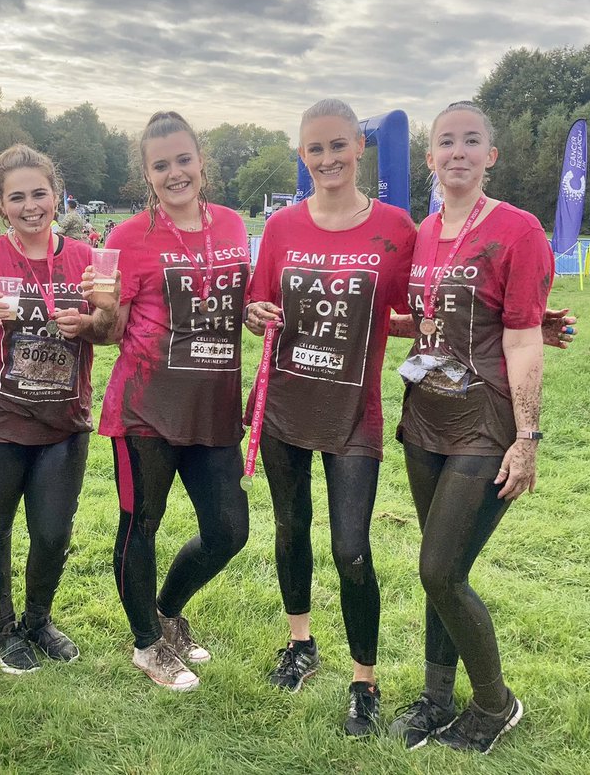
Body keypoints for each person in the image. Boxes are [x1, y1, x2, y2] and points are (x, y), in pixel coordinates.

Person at [244, 99, 417, 735]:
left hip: (352, 411)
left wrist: (509, 323)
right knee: (291, 528)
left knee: (351, 549)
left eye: (338, 145)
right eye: (315, 149)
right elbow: (258, 305)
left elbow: (413, 313)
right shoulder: (283, 227)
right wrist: (255, 314)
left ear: (359, 147)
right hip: (285, 404)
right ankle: (300, 644)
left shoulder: (396, 228)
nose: (327, 159)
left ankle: (364, 680)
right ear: (302, 155)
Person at [389, 101, 553, 753]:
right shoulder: (424, 232)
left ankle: (494, 705)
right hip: (425, 415)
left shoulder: (518, 230)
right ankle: (436, 698)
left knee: (440, 570)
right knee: (442, 568)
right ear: (429, 157)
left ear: (491, 155)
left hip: (485, 424)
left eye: (471, 141)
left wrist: (527, 437)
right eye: (446, 141)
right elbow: (424, 320)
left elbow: (524, 339)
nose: (458, 151)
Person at [0, 145, 120, 675]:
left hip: (64, 421)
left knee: (52, 531)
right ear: (0, 205)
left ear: (56, 195)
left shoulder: (86, 257)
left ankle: (38, 621)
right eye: (16, 197)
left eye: (39, 193)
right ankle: (4, 630)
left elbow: (110, 333)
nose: (30, 206)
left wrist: (96, 317)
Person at [101, 111, 252, 691]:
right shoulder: (127, 237)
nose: (175, 173)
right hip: (147, 406)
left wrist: (255, 312)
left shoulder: (233, 226)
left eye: (183, 159)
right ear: (147, 173)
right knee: (141, 523)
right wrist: (100, 309)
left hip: (214, 407)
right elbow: (111, 329)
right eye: (161, 165)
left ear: (201, 161)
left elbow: (240, 301)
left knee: (228, 530)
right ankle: (147, 644)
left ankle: (166, 612)